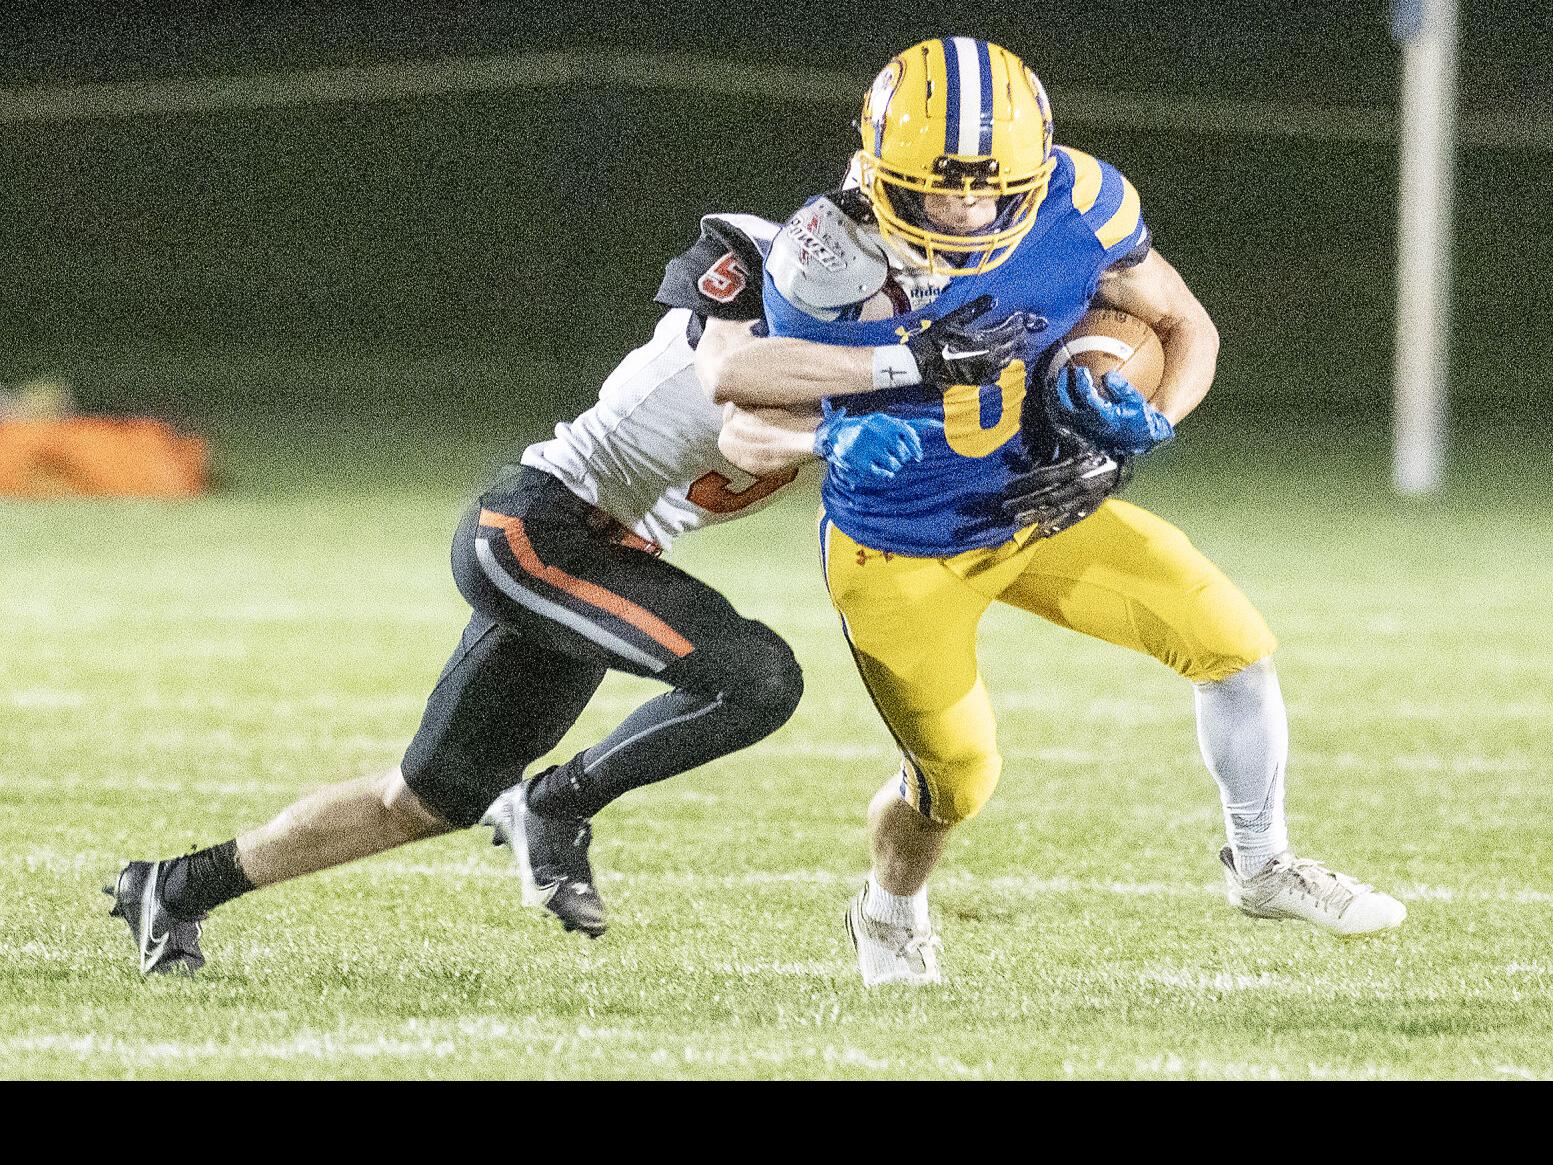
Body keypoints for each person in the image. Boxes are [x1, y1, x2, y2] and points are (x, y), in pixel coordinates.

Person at [711, 37, 1405, 987]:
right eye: (935, 190)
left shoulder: (1079, 201)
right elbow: (742, 417)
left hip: (1042, 505)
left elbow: (1184, 324)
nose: (963, 209)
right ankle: (889, 908)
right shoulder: (829, 256)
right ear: (878, 173)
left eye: (989, 187)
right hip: (901, 549)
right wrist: (824, 437)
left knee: (1234, 646)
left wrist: (1142, 428)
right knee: (956, 780)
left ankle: (1262, 862)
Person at [104, 211, 960, 973]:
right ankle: (551, 806)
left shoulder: (882, 345)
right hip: (538, 528)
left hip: (600, 555)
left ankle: (175, 888)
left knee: (424, 799)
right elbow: (736, 400)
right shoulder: (754, 267)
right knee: (755, 677)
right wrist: (848, 417)